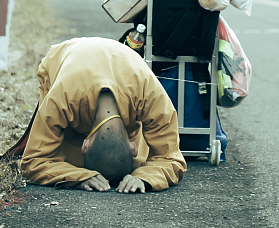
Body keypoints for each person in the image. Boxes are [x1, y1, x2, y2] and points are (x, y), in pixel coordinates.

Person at [15, 37, 186, 193]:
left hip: (118, 56)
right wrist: (78, 176)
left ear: (85, 144)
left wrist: (145, 178)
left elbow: (173, 160)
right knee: (72, 161)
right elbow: (33, 161)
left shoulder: (149, 93)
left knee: (129, 164)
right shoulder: (61, 96)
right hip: (64, 55)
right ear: (133, 147)